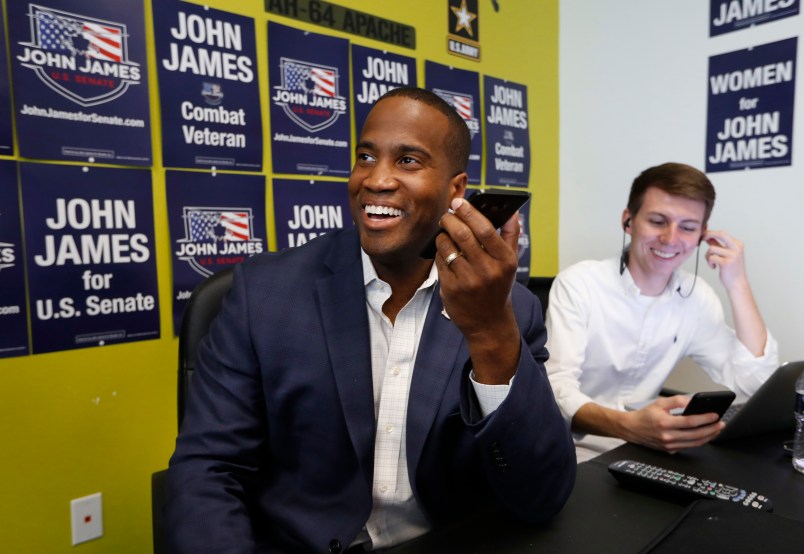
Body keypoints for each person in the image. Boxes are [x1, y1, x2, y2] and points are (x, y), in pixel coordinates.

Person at [165, 87, 575, 553]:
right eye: (365, 156)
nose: (376, 180)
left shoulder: (510, 309)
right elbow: (208, 471)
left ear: (456, 190)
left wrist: (489, 332)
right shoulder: (262, 293)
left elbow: (541, 496)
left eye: (408, 161)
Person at [545, 162, 779, 463]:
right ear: (628, 221)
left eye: (687, 228)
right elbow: (555, 391)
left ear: (701, 236)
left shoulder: (697, 298)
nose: (671, 239)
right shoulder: (580, 284)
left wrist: (737, 283)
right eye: (658, 221)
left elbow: (755, 384)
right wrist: (630, 427)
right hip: (572, 452)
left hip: (645, 453)